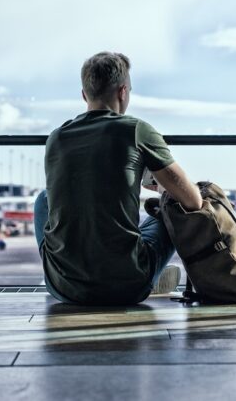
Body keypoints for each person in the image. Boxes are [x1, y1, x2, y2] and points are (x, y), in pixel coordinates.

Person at [33, 51, 203, 305]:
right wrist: (162, 190)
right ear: (123, 92)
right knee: (172, 208)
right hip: (126, 288)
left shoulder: (56, 138)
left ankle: (69, 271)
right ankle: (151, 274)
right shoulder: (135, 129)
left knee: (45, 199)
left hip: (63, 288)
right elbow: (193, 201)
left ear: (84, 94)